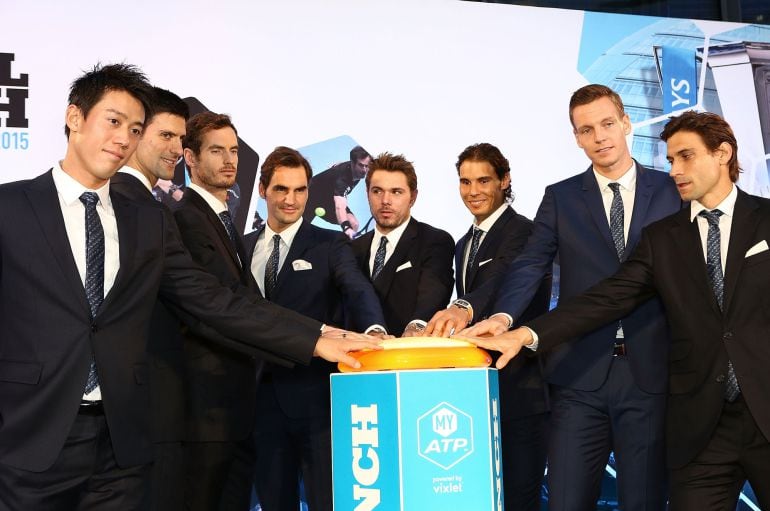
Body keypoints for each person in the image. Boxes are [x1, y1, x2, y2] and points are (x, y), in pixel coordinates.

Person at [0, 63, 376, 511]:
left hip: (123, 444)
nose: (123, 138)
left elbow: (211, 299)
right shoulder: (11, 206)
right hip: (31, 439)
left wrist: (313, 338)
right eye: (113, 121)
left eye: (135, 128)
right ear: (75, 118)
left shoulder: (148, 219)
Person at [466, 110, 770, 510]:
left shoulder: (766, 219)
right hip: (701, 427)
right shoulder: (664, 238)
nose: (675, 169)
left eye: (686, 157)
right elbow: (607, 297)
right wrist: (524, 333)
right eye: (670, 160)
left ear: (723, 153)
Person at [453, 86, 683, 511]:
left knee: (644, 501)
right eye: (586, 129)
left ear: (626, 122)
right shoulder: (560, 197)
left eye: (607, 124)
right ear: (576, 137)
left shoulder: (672, 190)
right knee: (565, 501)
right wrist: (503, 318)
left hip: (650, 373)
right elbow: (529, 264)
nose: (600, 137)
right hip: (579, 375)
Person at [246, 146, 386, 511]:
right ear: (263, 190)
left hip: (316, 404)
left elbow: (356, 287)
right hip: (256, 402)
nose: (291, 200)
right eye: (281, 189)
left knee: (328, 501)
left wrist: (374, 330)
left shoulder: (329, 244)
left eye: (300, 190)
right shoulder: (239, 247)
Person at [423, 142, 552, 511]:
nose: (473, 191)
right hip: (480, 394)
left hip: (523, 391)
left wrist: (464, 307)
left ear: (504, 180)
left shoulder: (526, 232)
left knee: (520, 497)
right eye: (465, 182)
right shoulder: (464, 241)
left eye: (483, 180)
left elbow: (503, 277)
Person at [172, 112, 264, 510]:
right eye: (216, 150)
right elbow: (221, 308)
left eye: (233, 150)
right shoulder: (184, 219)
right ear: (189, 158)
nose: (230, 160)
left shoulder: (224, 219)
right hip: (203, 411)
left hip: (237, 408)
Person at [110, 86, 190, 511]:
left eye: (181, 139)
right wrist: (313, 336)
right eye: (165, 136)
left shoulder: (144, 203)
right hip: (148, 401)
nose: (177, 149)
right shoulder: (135, 205)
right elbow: (201, 298)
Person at [350, 152, 454, 336]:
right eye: (377, 191)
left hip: (410, 356)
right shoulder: (351, 249)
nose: (385, 201)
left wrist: (416, 327)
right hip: (355, 359)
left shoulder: (434, 241)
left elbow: (434, 291)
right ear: (367, 195)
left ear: (413, 197)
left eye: (396, 192)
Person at [303, 145, 372, 238]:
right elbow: (340, 206)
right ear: (353, 163)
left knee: (354, 224)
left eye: (366, 166)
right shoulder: (342, 180)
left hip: (329, 199)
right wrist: (346, 228)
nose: (364, 170)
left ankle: (347, 248)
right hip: (310, 199)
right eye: (361, 165)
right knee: (299, 232)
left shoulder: (359, 167)